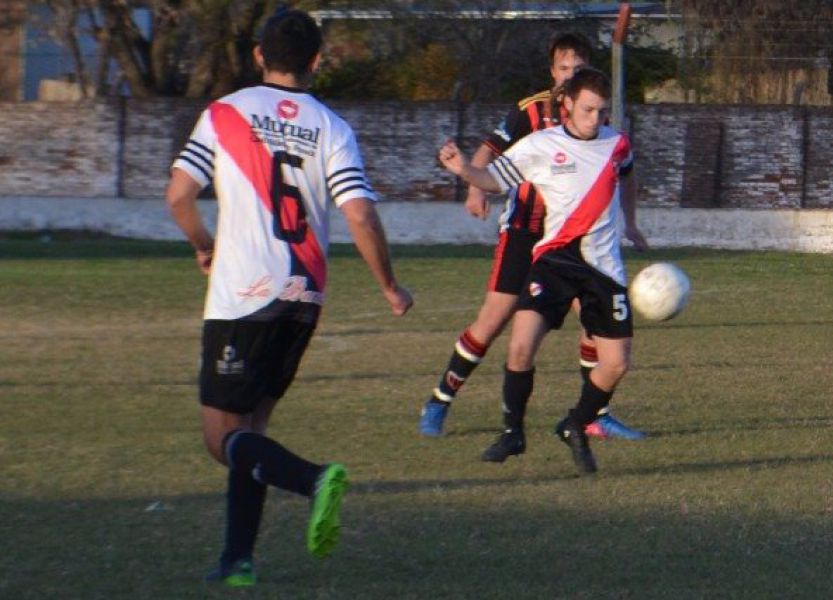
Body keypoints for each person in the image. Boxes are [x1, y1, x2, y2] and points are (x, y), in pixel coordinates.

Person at [165, 9, 413, 587]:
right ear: (317, 61)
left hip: (242, 294)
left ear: (258, 55)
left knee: (221, 438)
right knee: (251, 430)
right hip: (305, 294)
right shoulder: (332, 127)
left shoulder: (225, 113)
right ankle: (238, 562)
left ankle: (312, 479)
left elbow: (179, 195)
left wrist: (204, 246)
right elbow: (360, 213)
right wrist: (389, 286)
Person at [419, 33, 647, 441]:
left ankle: (594, 414)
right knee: (493, 321)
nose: (569, 75)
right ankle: (440, 399)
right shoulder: (531, 112)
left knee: (594, 326)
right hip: (526, 231)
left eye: (578, 70)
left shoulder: (597, 119)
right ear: (552, 71)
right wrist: (473, 185)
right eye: (563, 68)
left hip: (574, 243)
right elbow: (490, 150)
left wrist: (629, 222)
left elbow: (622, 170)